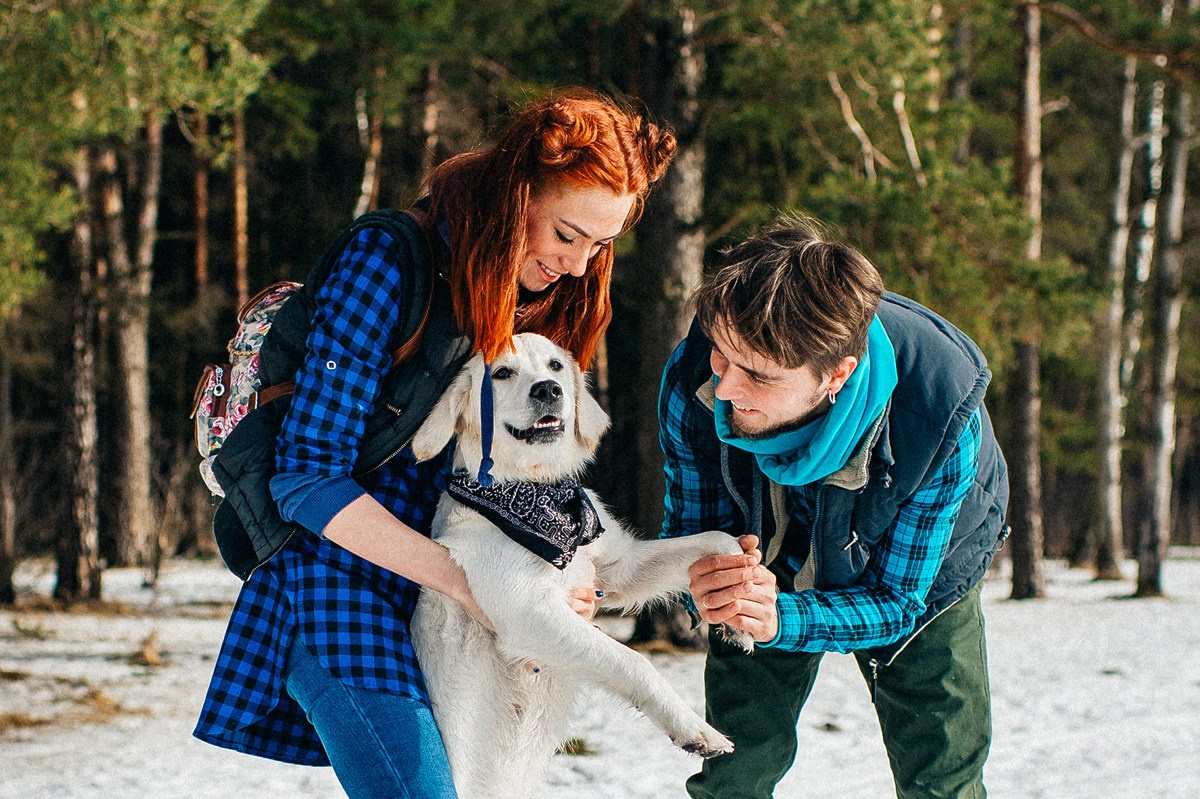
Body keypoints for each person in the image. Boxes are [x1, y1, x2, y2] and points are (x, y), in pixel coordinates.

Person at [194, 89, 676, 799]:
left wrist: (563, 574)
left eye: (601, 244)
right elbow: (304, 477)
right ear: (518, 195)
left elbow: (534, 470)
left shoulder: (548, 292)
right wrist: (463, 578)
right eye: (568, 234)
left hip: (447, 595)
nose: (579, 264)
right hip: (333, 577)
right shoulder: (386, 259)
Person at [659, 216, 1010, 798]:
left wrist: (785, 619)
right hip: (766, 559)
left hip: (921, 576)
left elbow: (899, 601)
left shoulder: (941, 414)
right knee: (735, 768)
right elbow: (693, 532)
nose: (722, 389)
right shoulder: (694, 375)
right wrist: (714, 582)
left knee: (941, 776)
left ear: (836, 375)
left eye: (758, 376)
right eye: (723, 356)